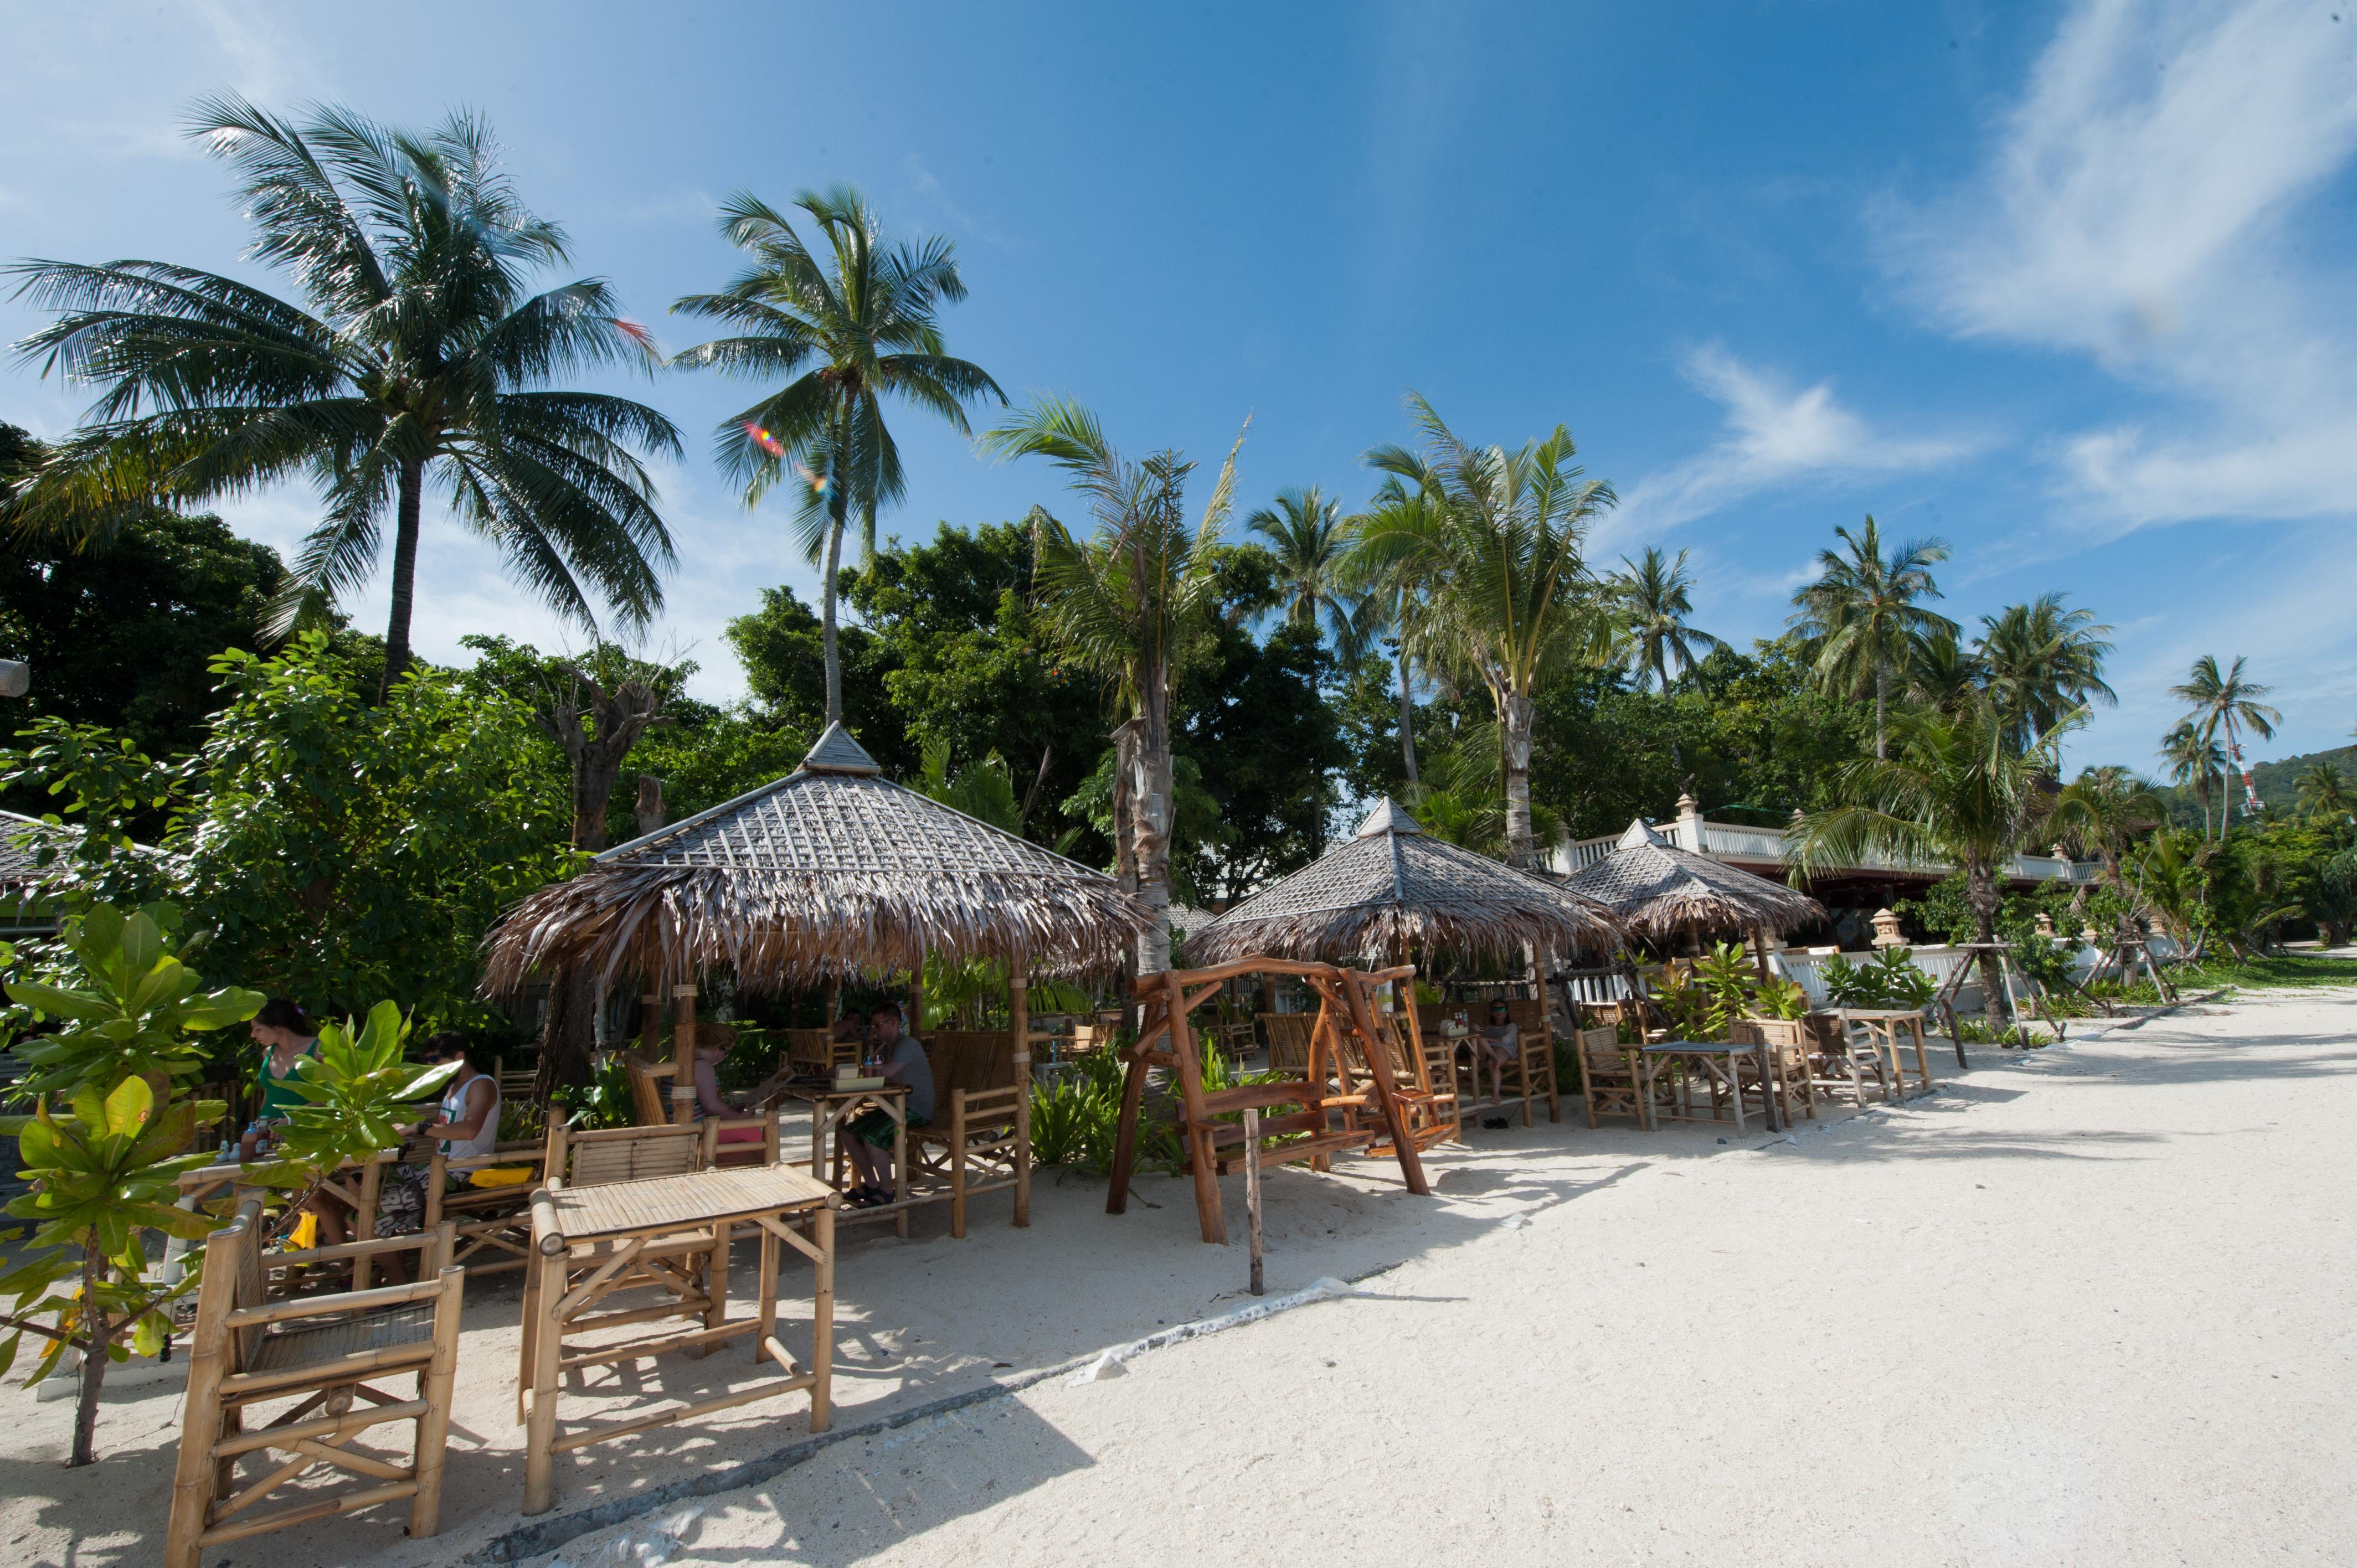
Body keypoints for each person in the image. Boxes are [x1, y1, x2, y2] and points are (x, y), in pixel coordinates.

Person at [843, 1002, 930, 1206]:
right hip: (893, 1108)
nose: (874, 1030)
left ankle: (886, 1191)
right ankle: (872, 1185)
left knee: (873, 1138)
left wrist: (858, 1072)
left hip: (915, 1109)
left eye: (877, 1025)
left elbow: (888, 1072)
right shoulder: (886, 1047)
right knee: (848, 1133)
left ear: (893, 1023)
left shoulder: (908, 1045)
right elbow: (871, 1068)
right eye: (873, 1026)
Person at [689, 1023, 768, 1146]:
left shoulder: (690, 1061)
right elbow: (712, 1106)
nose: (725, 1057)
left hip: (692, 1130)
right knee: (751, 1133)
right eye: (727, 1052)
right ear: (717, 1047)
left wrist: (731, 1111)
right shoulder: (702, 1065)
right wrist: (739, 1118)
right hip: (695, 1135)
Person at [1475, 998, 1522, 1103]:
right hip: (1489, 1050)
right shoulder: (1489, 1028)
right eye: (1495, 1009)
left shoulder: (1511, 1026)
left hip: (1505, 1048)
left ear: (1507, 1011)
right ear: (1492, 1012)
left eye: (1502, 1009)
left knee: (1493, 1062)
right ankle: (1495, 1057)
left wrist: (1487, 1040)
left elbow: (1507, 1040)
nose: (1499, 1012)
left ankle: (1496, 1093)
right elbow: (1483, 1041)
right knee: (1480, 1040)